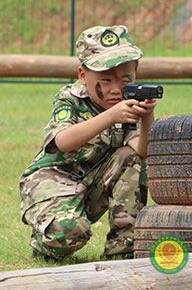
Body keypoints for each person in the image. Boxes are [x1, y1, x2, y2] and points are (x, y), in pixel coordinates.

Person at [18, 25, 157, 261]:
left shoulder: (127, 103)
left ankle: (123, 250)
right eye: (106, 79)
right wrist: (111, 116)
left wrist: (146, 116)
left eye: (126, 79)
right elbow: (63, 141)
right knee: (70, 233)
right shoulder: (69, 98)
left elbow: (141, 151)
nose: (116, 89)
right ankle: (44, 243)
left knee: (130, 157)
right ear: (83, 75)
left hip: (92, 183)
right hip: (53, 182)